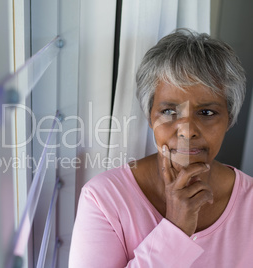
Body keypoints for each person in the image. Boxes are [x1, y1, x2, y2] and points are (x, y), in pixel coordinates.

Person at [69, 29, 253, 267]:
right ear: (149, 116)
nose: (187, 130)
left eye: (206, 112)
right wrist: (175, 230)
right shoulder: (103, 199)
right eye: (169, 111)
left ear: (229, 118)